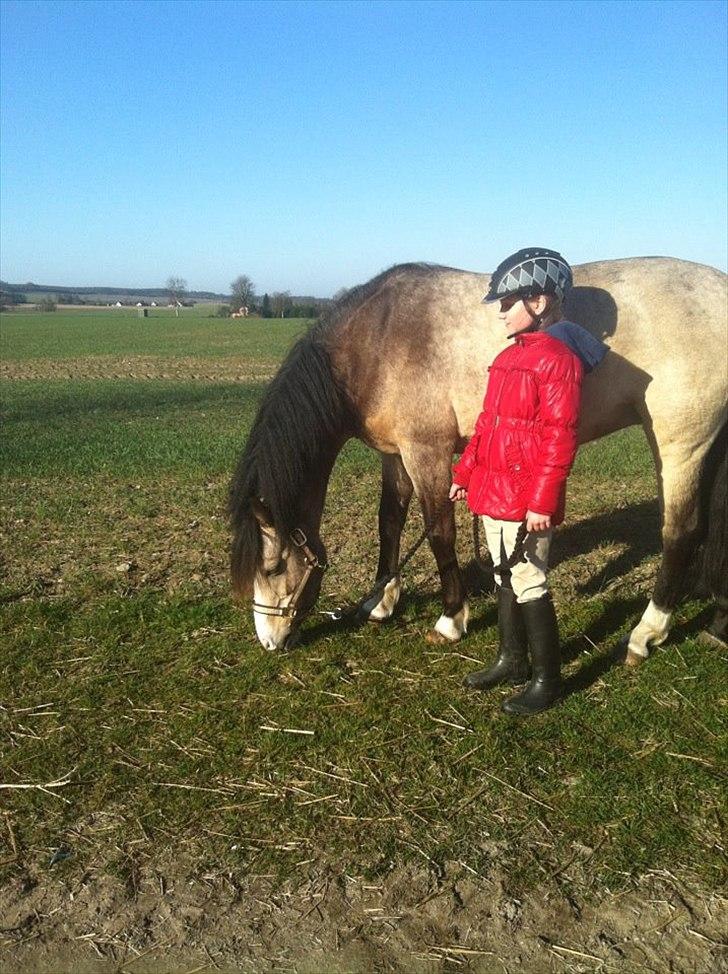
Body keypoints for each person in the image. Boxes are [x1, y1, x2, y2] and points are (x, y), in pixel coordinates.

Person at [449, 248, 608, 715]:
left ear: (537, 303)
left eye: (507, 302)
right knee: (504, 574)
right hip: (493, 490)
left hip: (525, 498)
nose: (499, 312)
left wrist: (542, 503)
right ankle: (511, 658)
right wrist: (465, 473)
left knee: (530, 579)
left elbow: (561, 439)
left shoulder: (558, 362)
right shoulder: (506, 358)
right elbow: (487, 425)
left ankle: (548, 679)